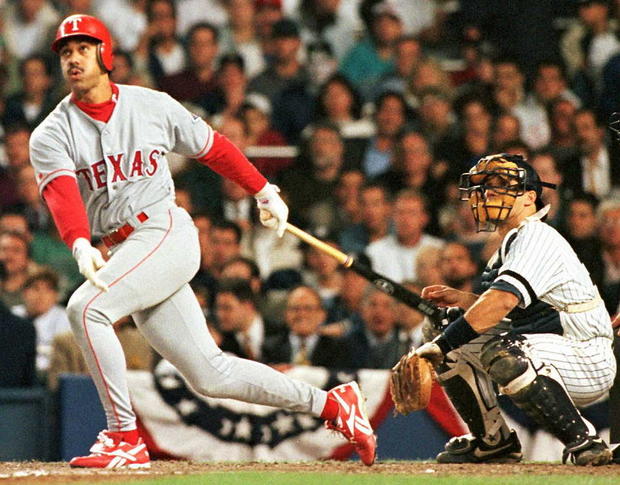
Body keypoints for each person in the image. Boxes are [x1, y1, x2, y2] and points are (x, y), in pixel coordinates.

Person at [28, 14, 376, 469]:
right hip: (123, 249)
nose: (74, 58)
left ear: (105, 53)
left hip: (163, 231)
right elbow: (61, 193)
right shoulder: (51, 132)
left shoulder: (150, 104)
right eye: (66, 52)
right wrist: (78, 242)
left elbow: (212, 146)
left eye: (83, 48)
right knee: (210, 373)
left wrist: (263, 190)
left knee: (86, 308)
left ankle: (124, 436)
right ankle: (333, 406)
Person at [414, 153, 615, 466]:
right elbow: (518, 310)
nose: (487, 193)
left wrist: (438, 349)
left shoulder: (536, 236)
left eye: (501, 185)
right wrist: (464, 301)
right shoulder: (511, 244)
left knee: (501, 351)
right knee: (444, 324)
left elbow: (502, 303)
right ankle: (493, 441)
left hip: (585, 356)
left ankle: (584, 440)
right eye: (482, 186)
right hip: (550, 346)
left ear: (530, 197)